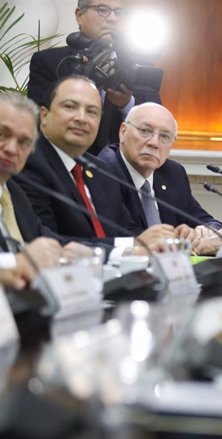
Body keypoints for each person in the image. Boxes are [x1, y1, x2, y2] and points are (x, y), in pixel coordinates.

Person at [15, 75, 175, 253]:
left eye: (92, 112)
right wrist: (126, 248)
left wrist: (165, 238)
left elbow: (127, 230)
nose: (81, 118)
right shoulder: (27, 162)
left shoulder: (100, 170)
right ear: (44, 115)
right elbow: (46, 242)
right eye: (70, 107)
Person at [98, 103, 222, 255]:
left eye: (165, 137)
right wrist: (198, 246)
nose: (154, 143)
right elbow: (129, 238)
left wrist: (208, 231)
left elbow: (203, 219)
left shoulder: (172, 173)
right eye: (145, 131)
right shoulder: (104, 171)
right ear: (123, 132)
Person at [27, 0, 161, 154]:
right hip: (62, 160)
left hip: (117, 168)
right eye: (102, 9)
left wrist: (126, 104)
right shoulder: (50, 61)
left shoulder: (139, 65)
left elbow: (157, 122)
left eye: (119, 12)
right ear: (79, 15)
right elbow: (36, 120)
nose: (112, 18)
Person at [0, 93, 86, 289]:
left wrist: (88, 253)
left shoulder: (13, 193)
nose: (12, 149)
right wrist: (17, 261)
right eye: (1, 134)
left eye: (23, 142)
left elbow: (52, 243)